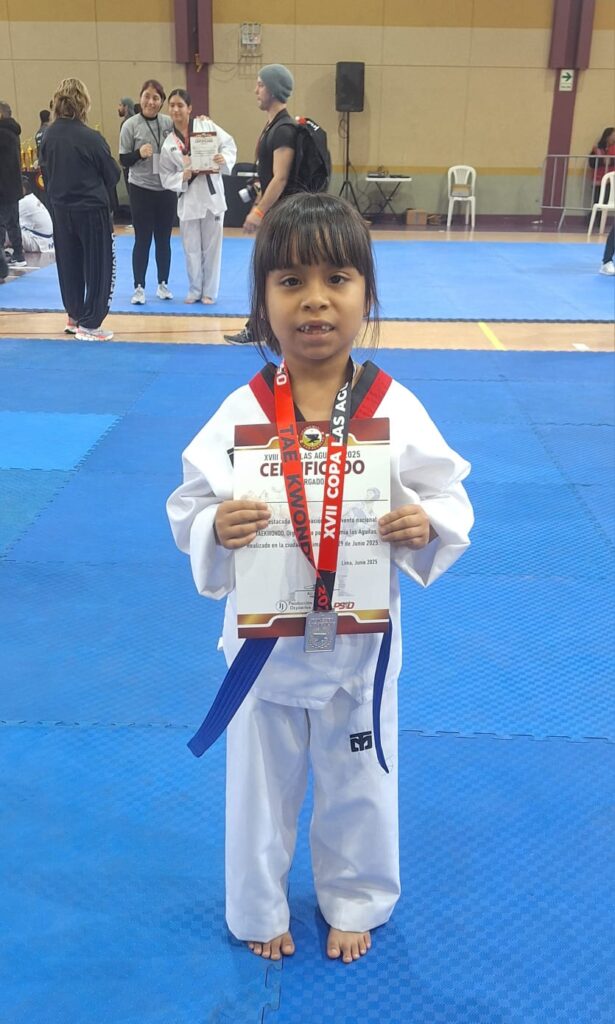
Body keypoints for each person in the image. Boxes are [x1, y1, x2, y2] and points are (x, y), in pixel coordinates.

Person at [167, 192, 473, 965]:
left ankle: (355, 899)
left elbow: (447, 497)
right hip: (263, 649)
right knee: (257, 792)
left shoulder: (391, 406)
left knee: (359, 782)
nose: (314, 300)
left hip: (359, 647)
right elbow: (189, 506)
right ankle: (258, 907)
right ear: (261, 303)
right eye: (290, 281)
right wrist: (215, 528)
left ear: (367, 295)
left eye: (336, 279)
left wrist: (424, 524)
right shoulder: (242, 410)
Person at [40, 78, 120, 341]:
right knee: (99, 266)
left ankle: (74, 315)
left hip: (61, 208)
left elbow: (45, 172)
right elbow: (112, 174)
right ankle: (90, 322)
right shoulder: (91, 138)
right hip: (91, 209)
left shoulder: (47, 136)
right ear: (83, 103)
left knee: (69, 263)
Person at [225, 63, 297, 345]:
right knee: (269, 271)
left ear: (274, 90)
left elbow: (280, 178)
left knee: (271, 272)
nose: (256, 89)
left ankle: (262, 327)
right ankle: (263, 326)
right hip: (277, 214)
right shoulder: (273, 127)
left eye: (261, 84)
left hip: (283, 216)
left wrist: (258, 211)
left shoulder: (283, 130)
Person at [159, 88, 236, 304]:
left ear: (189, 108)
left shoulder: (206, 127)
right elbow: (165, 176)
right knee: (191, 248)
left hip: (211, 196)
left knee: (212, 248)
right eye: (172, 105)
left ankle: (209, 291)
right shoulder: (168, 143)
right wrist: (181, 177)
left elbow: (229, 143)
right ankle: (194, 289)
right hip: (189, 198)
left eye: (180, 105)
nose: (176, 109)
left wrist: (223, 158)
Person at [119, 79, 175, 304]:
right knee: (142, 239)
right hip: (140, 188)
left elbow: (184, 141)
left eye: (156, 98)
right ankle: (139, 287)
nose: (151, 102)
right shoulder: (130, 125)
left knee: (164, 239)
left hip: (167, 189)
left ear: (161, 101)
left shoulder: (168, 123)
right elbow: (123, 159)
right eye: (147, 96)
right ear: (140, 98)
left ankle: (163, 284)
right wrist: (138, 154)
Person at [0, 101, 27, 269]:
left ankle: (10, 257)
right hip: (13, 184)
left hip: (3, 186)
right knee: (13, 222)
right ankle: (18, 253)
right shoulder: (13, 132)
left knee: (5, 224)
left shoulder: (2, 133)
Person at [18, 176, 54, 252]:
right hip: (46, 242)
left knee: (8, 227)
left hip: (38, 242)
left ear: (23, 189)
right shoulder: (31, 198)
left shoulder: (24, 202)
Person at [588, 127, 615, 206]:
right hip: (598, 180)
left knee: (605, 202)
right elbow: (592, 162)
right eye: (613, 135)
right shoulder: (597, 149)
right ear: (607, 136)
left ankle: (597, 213)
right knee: (597, 201)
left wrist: (610, 161)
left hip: (610, 180)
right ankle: (594, 214)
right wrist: (603, 161)